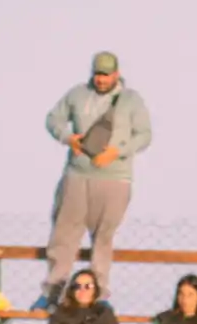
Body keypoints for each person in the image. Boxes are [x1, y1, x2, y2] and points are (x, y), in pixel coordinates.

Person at [33, 52, 154, 309]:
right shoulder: (77, 94)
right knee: (64, 234)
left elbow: (144, 135)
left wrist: (116, 151)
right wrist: (69, 138)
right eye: (98, 74)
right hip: (77, 175)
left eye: (106, 74)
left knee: (103, 237)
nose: (101, 80)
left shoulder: (131, 101)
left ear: (116, 74)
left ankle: (99, 295)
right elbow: (53, 119)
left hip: (115, 179)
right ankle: (53, 290)